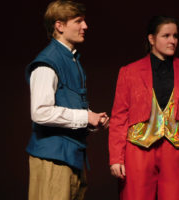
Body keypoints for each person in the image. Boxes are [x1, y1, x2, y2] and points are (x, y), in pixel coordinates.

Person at [25, 1, 109, 200]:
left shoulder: (71, 59)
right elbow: (40, 112)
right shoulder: (48, 61)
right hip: (53, 158)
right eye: (78, 21)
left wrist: (92, 119)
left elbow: (69, 104)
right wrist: (84, 116)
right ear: (59, 26)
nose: (85, 26)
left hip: (72, 157)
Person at [109, 16, 179, 200]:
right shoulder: (130, 71)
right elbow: (119, 116)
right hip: (139, 148)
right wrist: (116, 158)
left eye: (175, 36)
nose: (172, 40)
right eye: (166, 35)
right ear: (151, 39)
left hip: (177, 148)